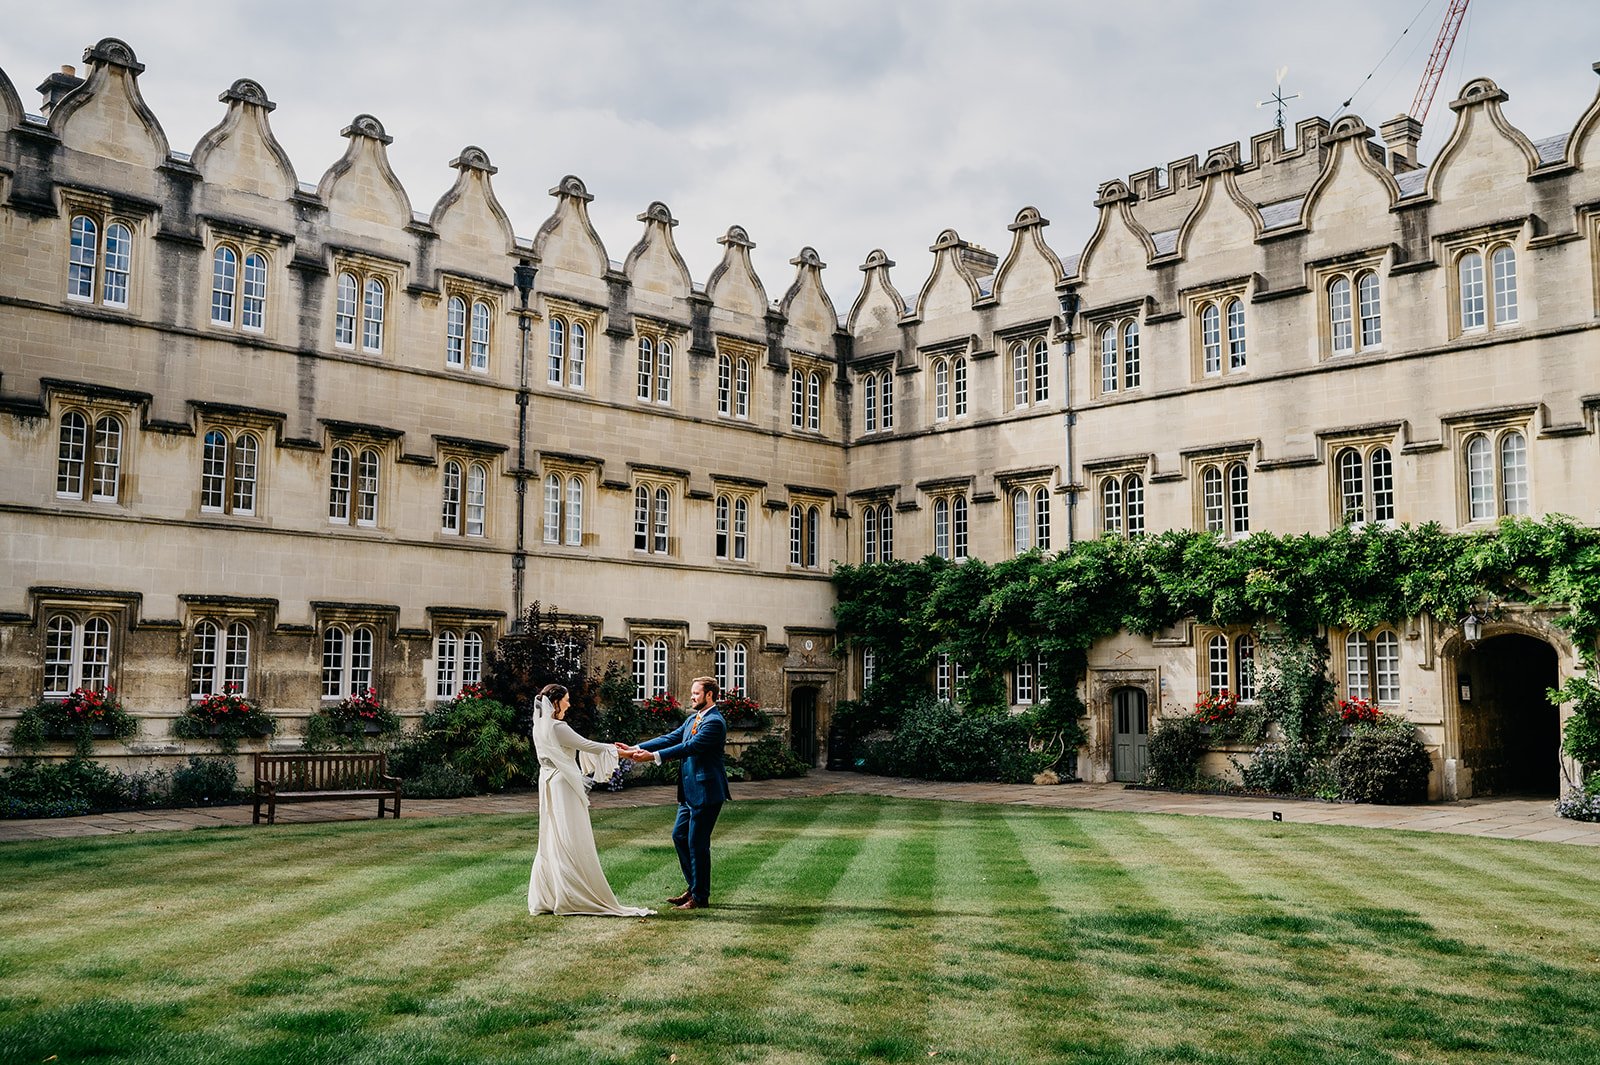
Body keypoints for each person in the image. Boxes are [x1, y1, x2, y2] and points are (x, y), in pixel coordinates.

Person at [528, 683, 653, 917]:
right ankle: (573, 893)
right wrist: (624, 753)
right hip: (562, 784)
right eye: (566, 699)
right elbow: (589, 746)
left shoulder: (539, 726)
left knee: (553, 837)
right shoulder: (558, 727)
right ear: (555, 702)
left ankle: (551, 894)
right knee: (571, 836)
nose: (569, 703)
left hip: (547, 782)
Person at [620, 676, 729, 910]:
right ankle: (694, 887)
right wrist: (636, 748)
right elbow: (670, 738)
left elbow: (689, 747)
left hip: (707, 791)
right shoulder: (693, 719)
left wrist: (653, 757)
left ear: (709, 695)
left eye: (696, 693)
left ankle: (700, 898)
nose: (691, 696)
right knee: (679, 836)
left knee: (697, 843)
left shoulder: (715, 722)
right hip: (689, 793)